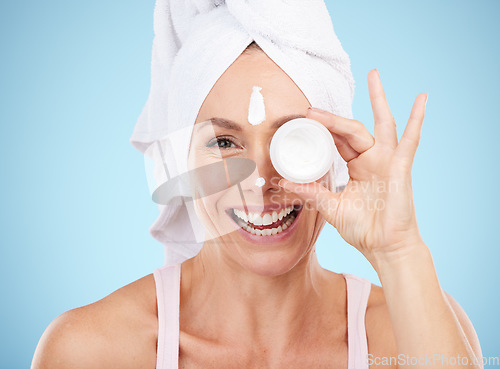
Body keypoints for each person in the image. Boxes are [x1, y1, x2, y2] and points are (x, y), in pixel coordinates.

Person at [32, 5, 483, 369]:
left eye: (293, 141)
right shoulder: (94, 351)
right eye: (224, 143)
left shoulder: (406, 335)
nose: (262, 181)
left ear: (336, 155)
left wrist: (399, 251)